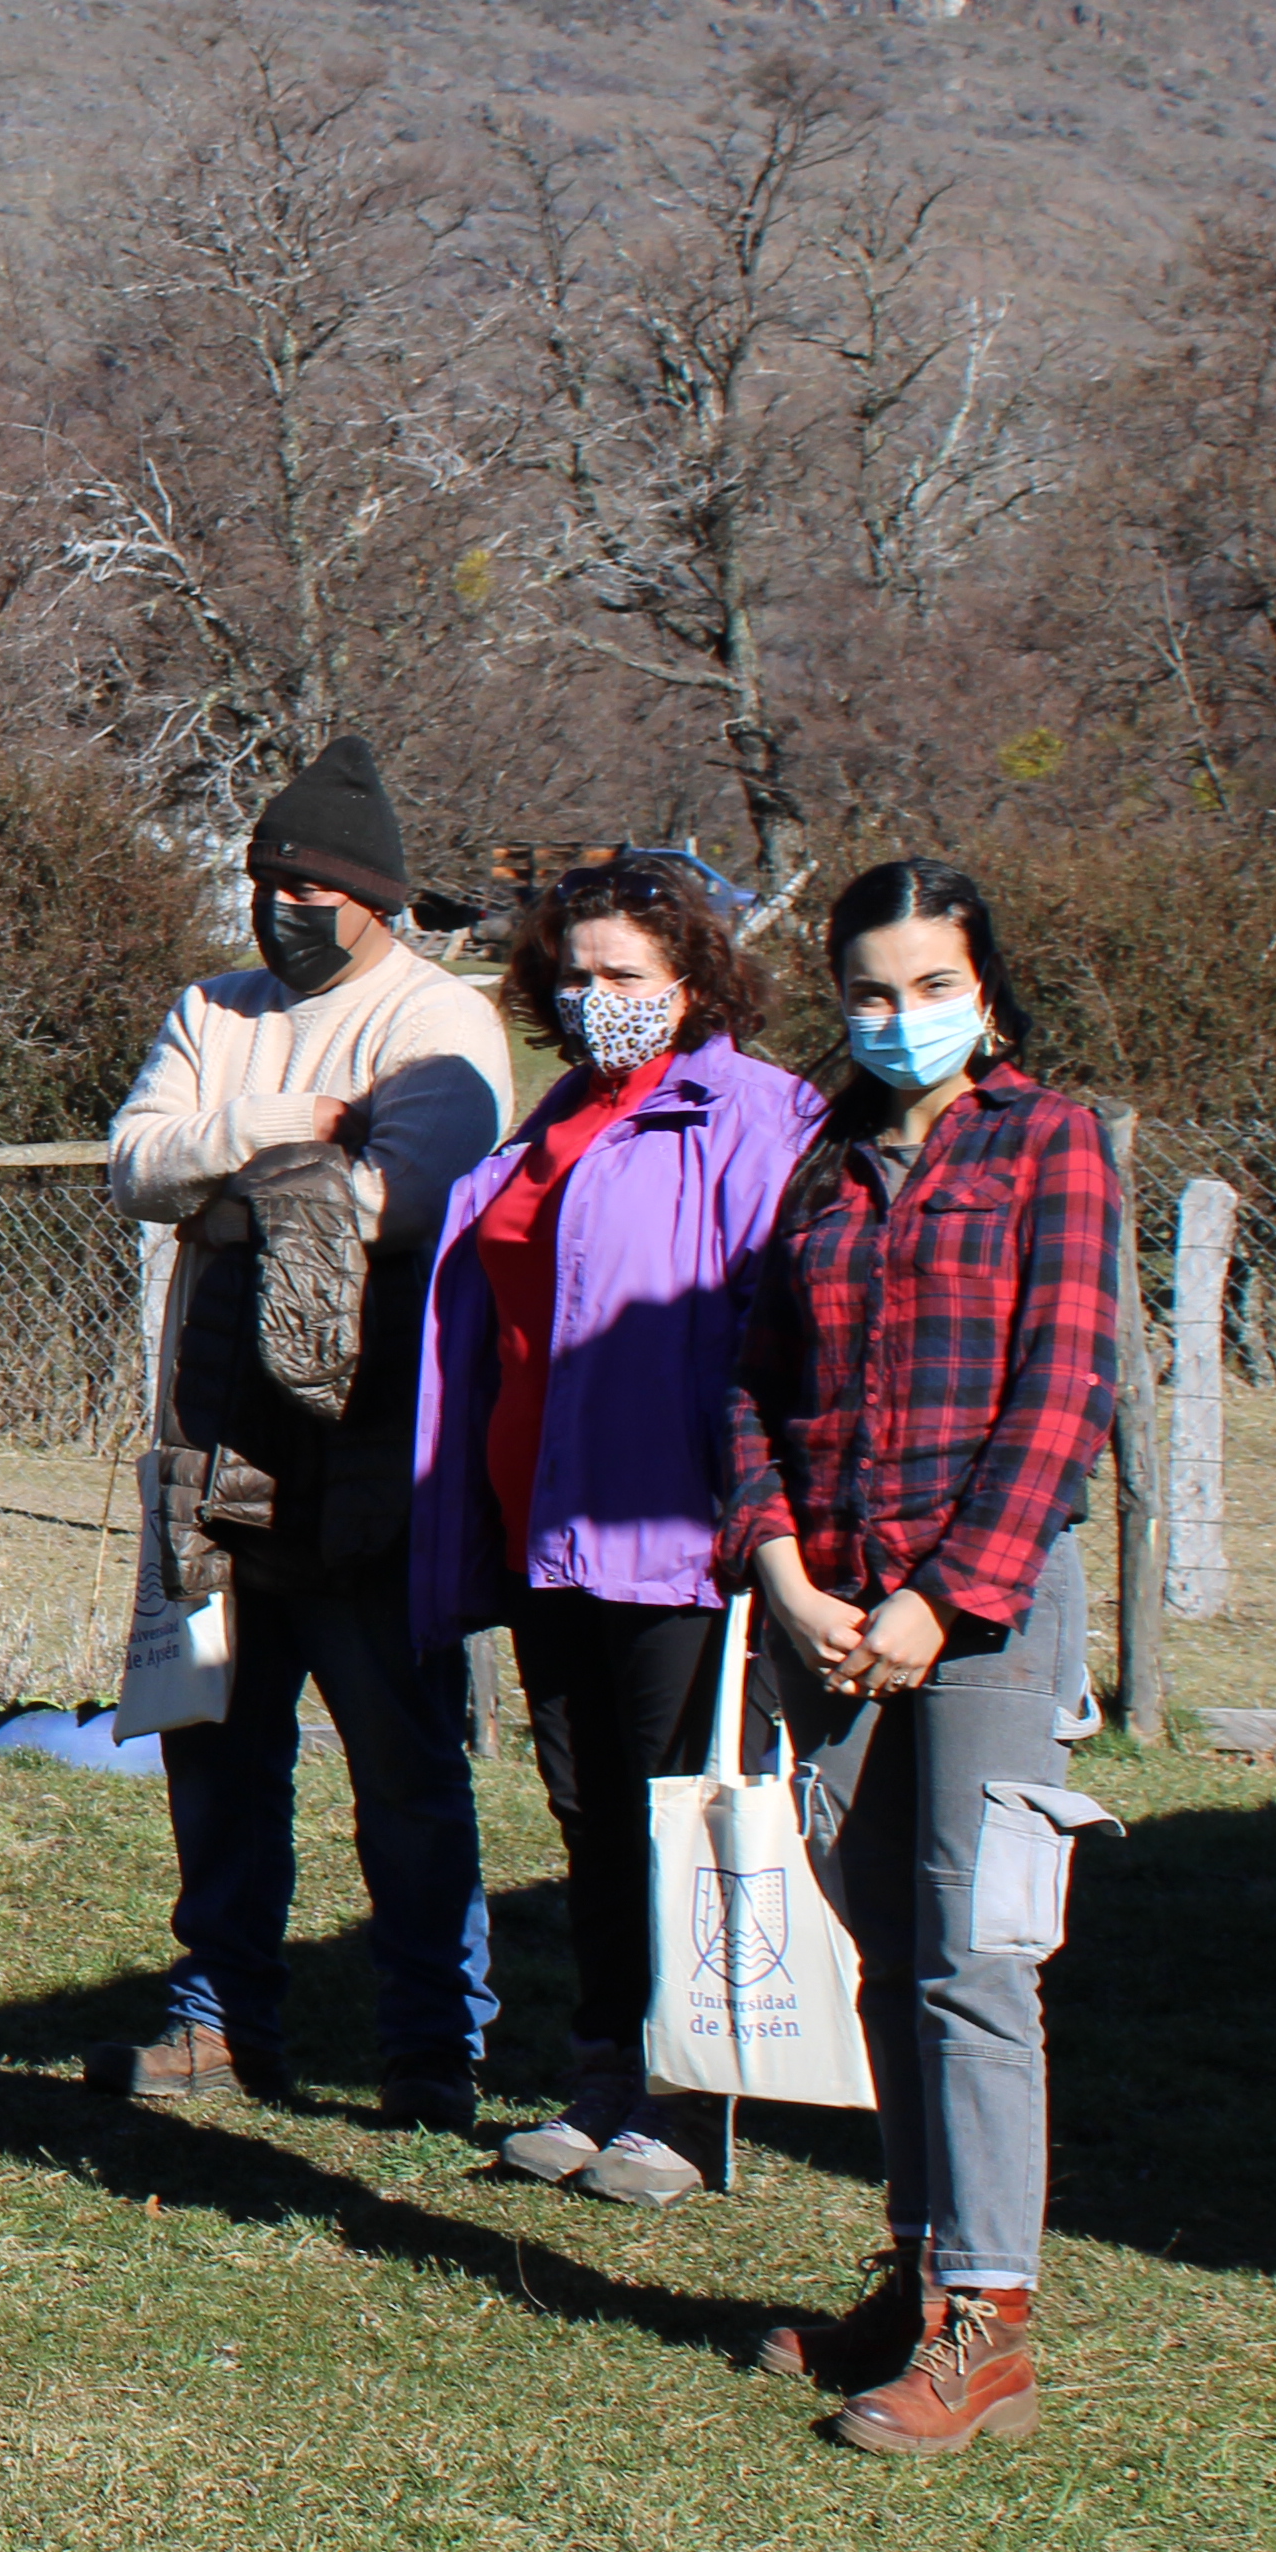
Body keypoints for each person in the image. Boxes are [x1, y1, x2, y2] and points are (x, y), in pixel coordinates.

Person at [725, 861, 1121, 2458]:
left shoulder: (1051, 1145)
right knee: (887, 1943)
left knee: (976, 1959)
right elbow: (748, 1388)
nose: (899, 1021)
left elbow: (1064, 1390)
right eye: (871, 994)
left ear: (987, 989)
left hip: (983, 1621)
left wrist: (942, 1604)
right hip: (829, 1609)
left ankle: (989, 2321)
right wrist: (783, 1573)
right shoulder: (818, 1167)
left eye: (930, 988)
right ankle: (913, 2262)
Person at [99, 730, 514, 2123]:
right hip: (208, 1455)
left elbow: (409, 1195)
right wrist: (286, 1130)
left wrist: (243, 1180)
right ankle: (221, 2018)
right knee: (215, 1751)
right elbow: (139, 1163)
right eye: (264, 876)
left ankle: (429, 2044)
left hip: (373, 1460)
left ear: (381, 901)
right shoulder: (210, 1011)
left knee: (403, 1765)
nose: (281, 904)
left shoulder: (439, 1021)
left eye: (312, 887)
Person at [412, 856, 824, 2204]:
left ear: (694, 981)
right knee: (587, 1811)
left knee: (681, 1808)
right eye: (575, 977)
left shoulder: (757, 1120)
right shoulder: (556, 1122)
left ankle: (692, 2095)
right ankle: (605, 2072)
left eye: (625, 978)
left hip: (680, 1535)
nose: (597, 1002)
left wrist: (764, 1520)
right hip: (545, 1522)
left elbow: (787, 1333)